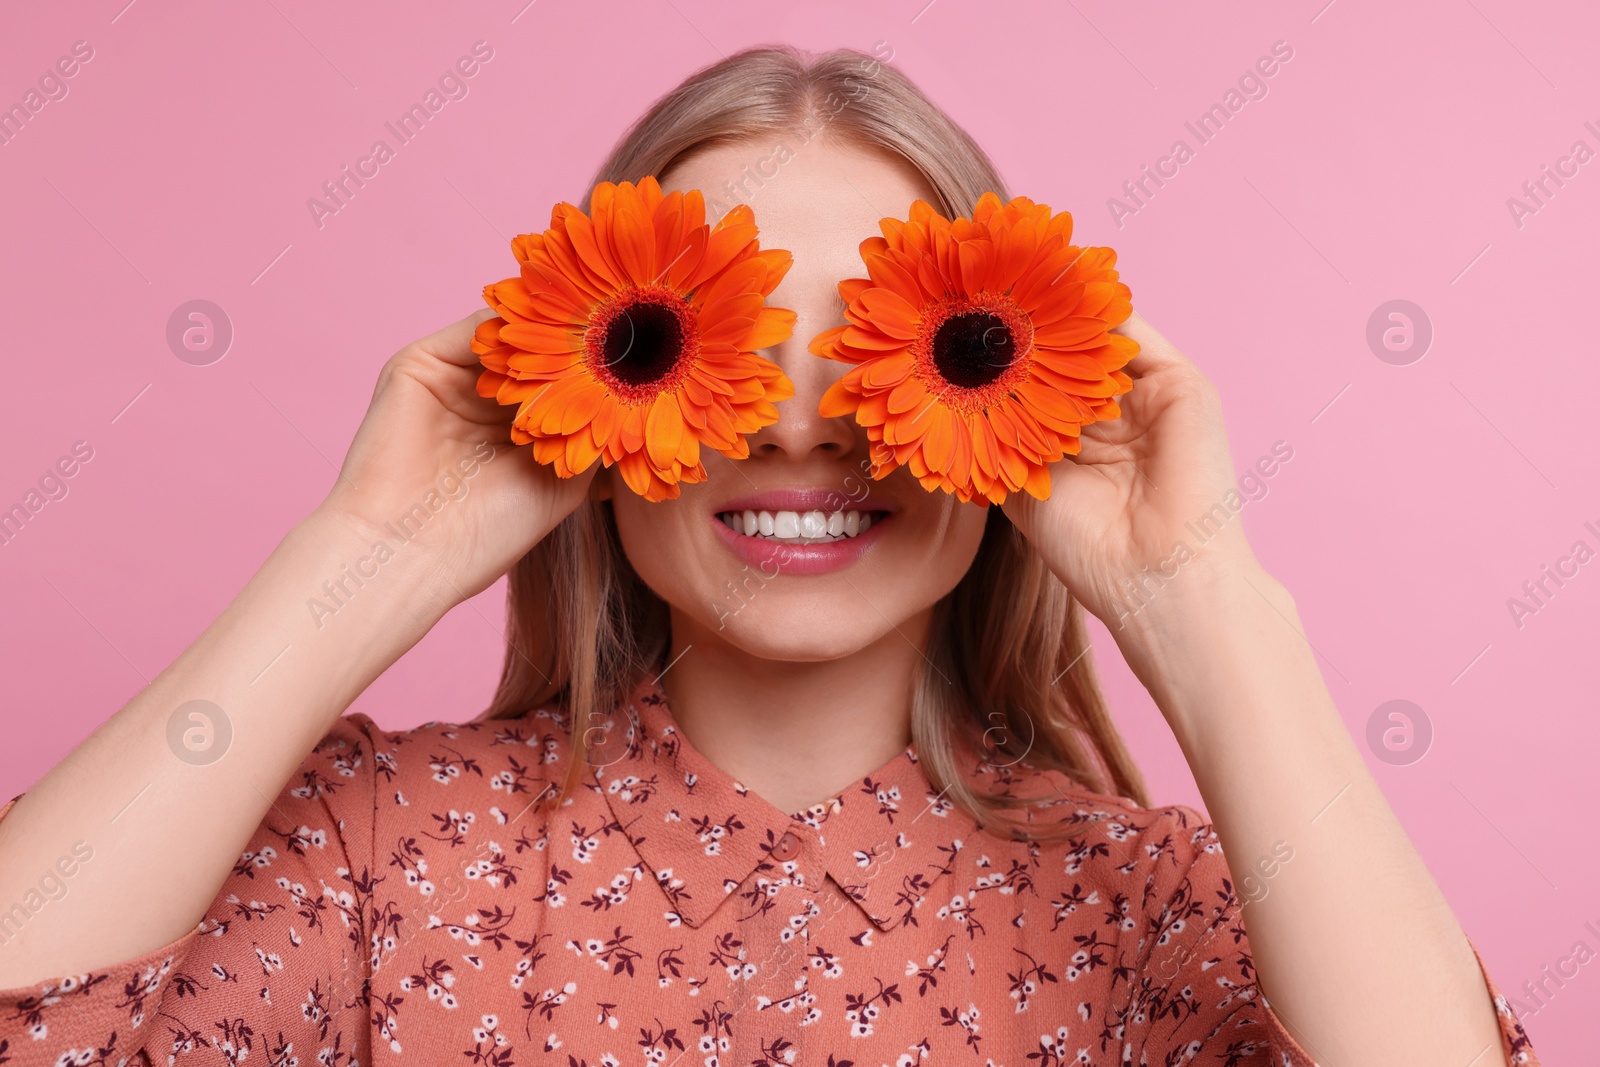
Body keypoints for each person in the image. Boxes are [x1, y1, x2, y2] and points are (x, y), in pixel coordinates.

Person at [0, 45, 1538, 1067]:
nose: (800, 430)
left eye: (892, 350)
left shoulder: (1155, 916)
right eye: (705, 344)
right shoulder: (379, 859)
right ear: (589, 400)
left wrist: (1199, 596)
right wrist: (370, 552)